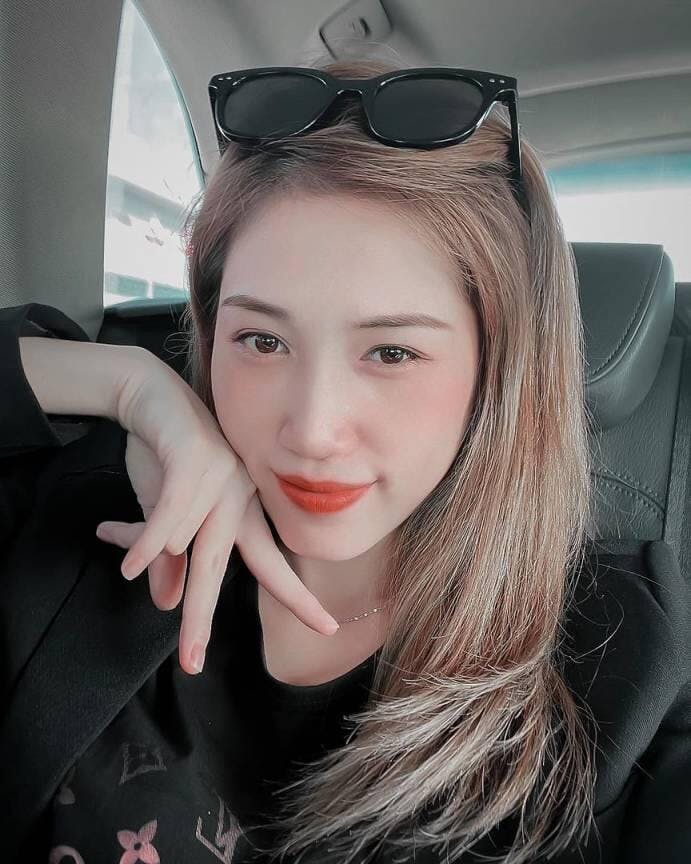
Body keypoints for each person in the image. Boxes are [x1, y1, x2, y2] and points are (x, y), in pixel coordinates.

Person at [0, 53, 689, 864]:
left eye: (391, 352)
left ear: (496, 370)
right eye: (262, 340)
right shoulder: (88, 509)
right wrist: (127, 385)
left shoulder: (620, 660)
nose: (313, 430)